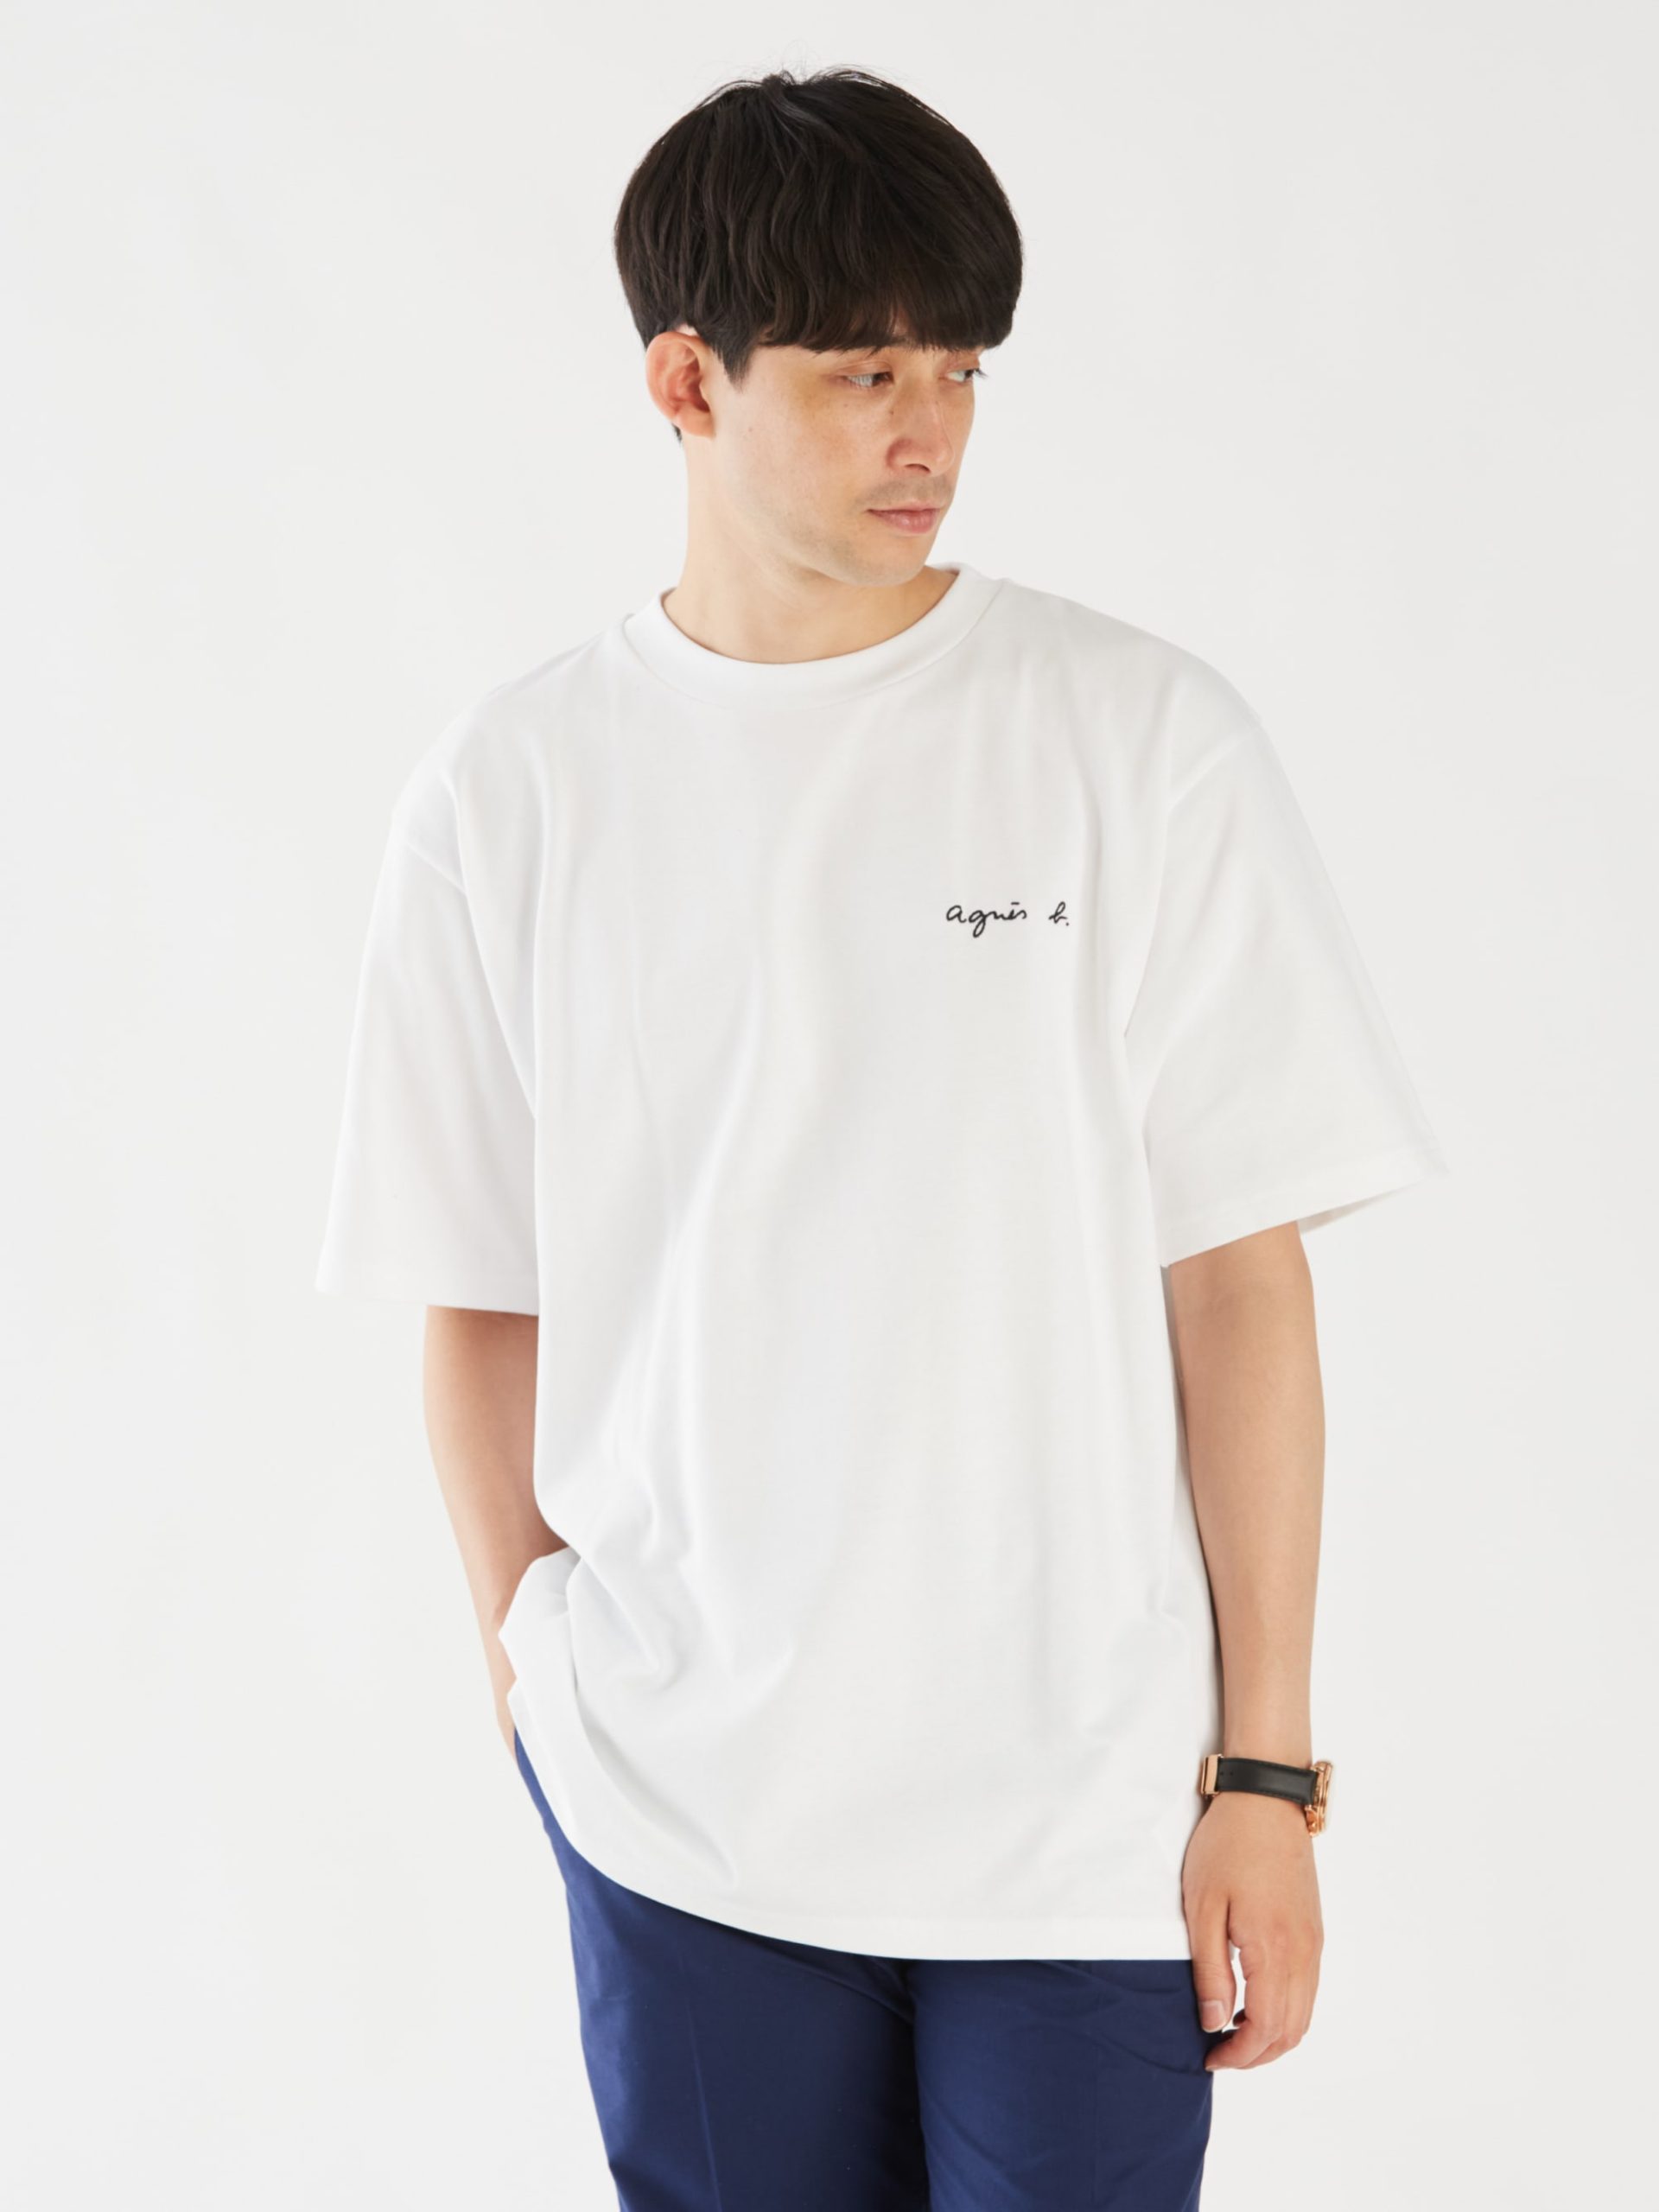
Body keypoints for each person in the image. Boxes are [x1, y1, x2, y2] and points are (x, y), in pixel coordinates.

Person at [315, 65, 1446, 2212]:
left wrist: (1269, 1767)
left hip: (1087, 1808)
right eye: (863, 373)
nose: (930, 427)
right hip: (682, 1805)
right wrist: (531, 1672)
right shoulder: (514, 789)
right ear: (687, 381)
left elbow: (1238, 1279)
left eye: (961, 370)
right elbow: (475, 1289)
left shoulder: (1135, 739)